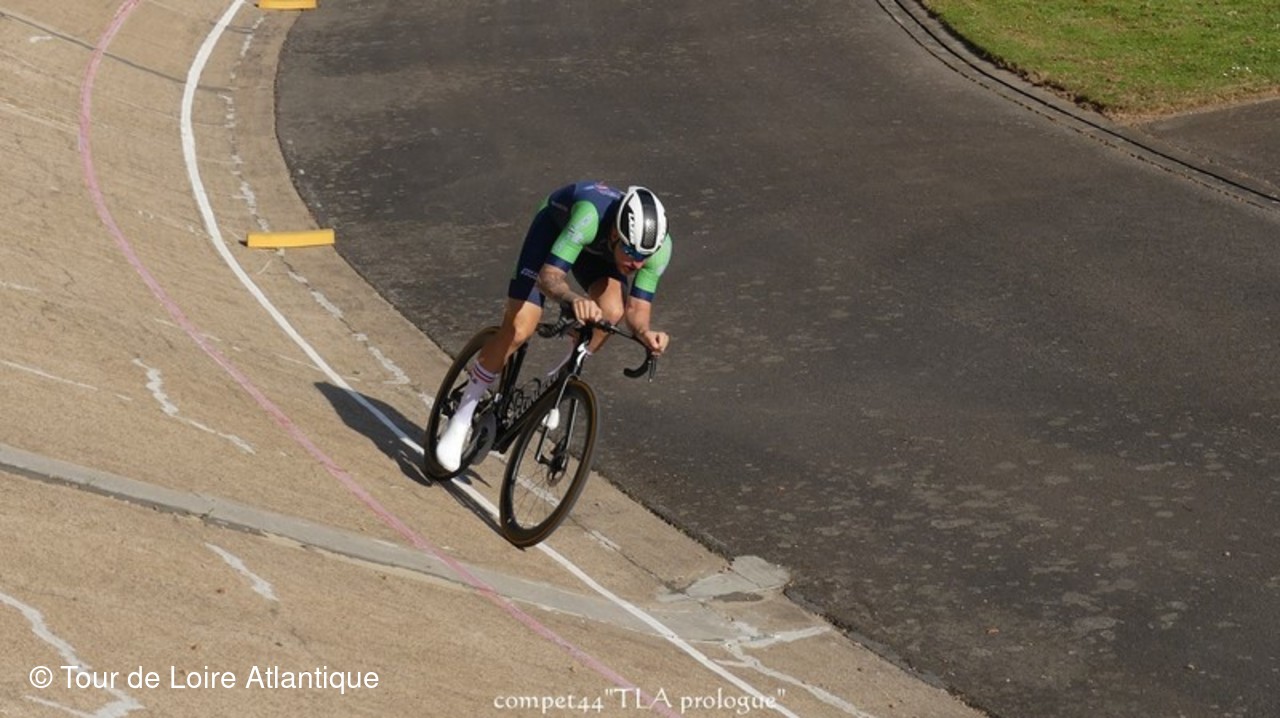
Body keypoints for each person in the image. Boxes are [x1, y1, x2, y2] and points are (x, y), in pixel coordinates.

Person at [434, 181, 674, 472]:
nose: (636, 264)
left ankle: (556, 383)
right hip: (554, 233)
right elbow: (549, 278)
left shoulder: (657, 250)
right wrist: (574, 299)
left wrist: (646, 333)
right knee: (520, 329)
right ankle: (462, 416)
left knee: (611, 313)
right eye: (630, 252)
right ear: (614, 233)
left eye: (643, 257)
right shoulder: (589, 216)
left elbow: (637, 310)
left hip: (599, 255)